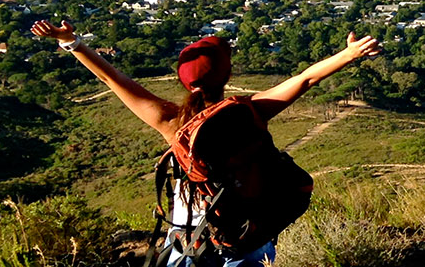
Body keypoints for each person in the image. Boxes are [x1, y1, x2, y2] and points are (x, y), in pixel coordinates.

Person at [31, 20, 382, 266]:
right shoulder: (250, 112)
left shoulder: (170, 121)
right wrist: (349, 55)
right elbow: (304, 79)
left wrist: (70, 42)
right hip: (246, 231)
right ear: (227, 75)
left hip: (190, 236)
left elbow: (112, 77)